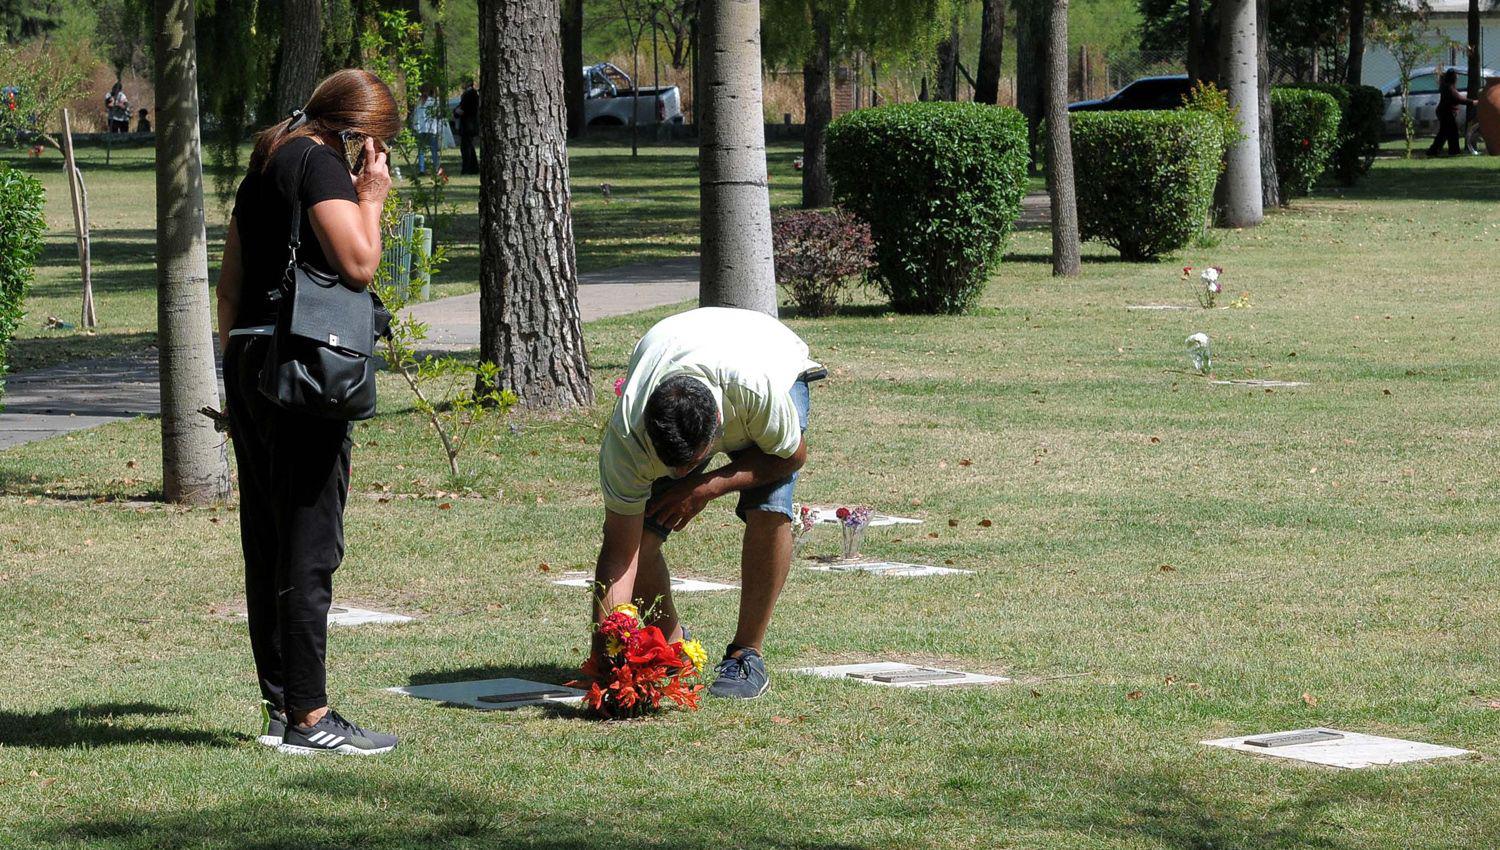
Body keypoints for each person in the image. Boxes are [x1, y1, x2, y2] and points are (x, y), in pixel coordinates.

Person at [214, 68, 401, 756]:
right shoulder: (318, 163)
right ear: (359, 133)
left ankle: (281, 704)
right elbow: (358, 263)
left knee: (267, 539)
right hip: (304, 372)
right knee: (310, 544)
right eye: (375, 144)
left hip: (249, 360)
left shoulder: (266, 161)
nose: (372, 159)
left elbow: (230, 286)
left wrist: (240, 374)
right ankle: (311, 718)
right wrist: (370, 197)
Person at [592, 307, 822, 700]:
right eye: (671, 466)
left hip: (768, 353)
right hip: (689, 349)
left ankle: (746, 654)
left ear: (718, 424)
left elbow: (792, 456)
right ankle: (672, 647)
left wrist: (705, 486)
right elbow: (619, 553)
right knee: (643, 536)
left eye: (691, 464)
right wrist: (605, 660)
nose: (680, 476)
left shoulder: (757, 390)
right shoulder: (627, 435)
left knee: (769, 506)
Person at [1429, 68, 1478, 157]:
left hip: (1444, 112)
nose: (1457, 78)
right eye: (1456, 76)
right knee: (1453, 133)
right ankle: (1454, 151)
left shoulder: (1447, 86)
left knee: (1443, 133)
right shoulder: (1449, 88)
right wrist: (1473, 102)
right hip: (1447, 113)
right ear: (1453, 77)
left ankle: (1433, 151)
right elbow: (1459, 99)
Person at [411, 86, 442, 175]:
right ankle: (421, 169)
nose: (424, 93)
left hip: (431, 128)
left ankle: (436, 169)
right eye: (422, 91)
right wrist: (414, 126)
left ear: (429, 92)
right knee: (421, 150)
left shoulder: (433, 102)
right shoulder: (418, 102)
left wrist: (437, 128)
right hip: (420, 128)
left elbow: (438, 115)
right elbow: (415, 115)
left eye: (426, 91)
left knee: (433, 149)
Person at [455, 78, 479, 175]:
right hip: (468, 123)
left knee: (466, 147)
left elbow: (466, 108)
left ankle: (467, 168)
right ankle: (473, 167)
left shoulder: (470, 94)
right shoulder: (469, 94)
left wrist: (458, 112)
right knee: (469, 146)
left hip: (469, 124)